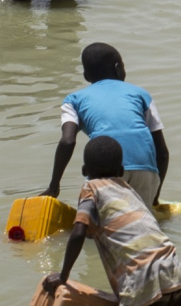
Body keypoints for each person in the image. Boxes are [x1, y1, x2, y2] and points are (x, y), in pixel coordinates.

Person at [43, 136, 181, 306]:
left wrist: (63, 275)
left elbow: (78, 232)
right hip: (174, 270)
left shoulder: (90, 188)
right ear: (121, 171)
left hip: (142, 278)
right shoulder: (129, 190)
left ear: (85, 171)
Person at [44, 43, 171, 209]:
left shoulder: (73, 100)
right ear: (118, 68)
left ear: (85, 76)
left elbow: (67, 141)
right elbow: (162, 153)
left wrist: (54, 186)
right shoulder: (140, 94)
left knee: (103, 224)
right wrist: (155, 195)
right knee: (140, 223)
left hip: (103, 171)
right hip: (145, 171)